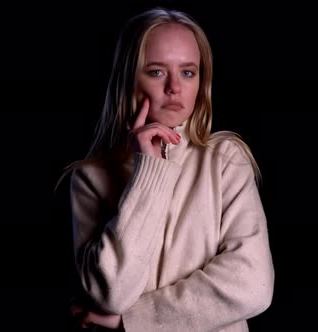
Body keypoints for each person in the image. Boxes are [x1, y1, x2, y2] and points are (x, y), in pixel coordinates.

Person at [63, 7, 274, 331]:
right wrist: (148, 172)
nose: (175, 87)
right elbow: (111, 294)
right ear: (129, 77)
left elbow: (253, 284)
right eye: (157, 71)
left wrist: (132, 322)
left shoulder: (225, 161)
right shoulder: (91, 178)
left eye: (188, 72)